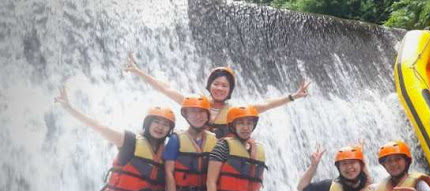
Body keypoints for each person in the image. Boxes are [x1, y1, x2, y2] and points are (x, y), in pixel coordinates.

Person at [123, 54, 310, 137]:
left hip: (221, 161)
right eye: (216, 84)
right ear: (209, 86)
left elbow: (265, 104)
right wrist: (139, 72)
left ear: (229, 90)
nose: (220, 88)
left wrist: (293, 96)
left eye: (224, 85)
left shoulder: (234, 111)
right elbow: (166, 89)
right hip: (198, 157)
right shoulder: (197, 103)